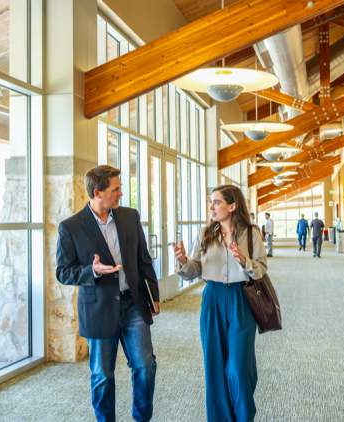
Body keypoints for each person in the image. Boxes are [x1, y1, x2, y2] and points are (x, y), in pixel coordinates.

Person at [56, 165, 160, 422]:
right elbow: (63, 272)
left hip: (133, 304)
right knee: (102, 375)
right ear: (97, 192)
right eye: (115, 189)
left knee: (145, 367)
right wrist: (91, 271)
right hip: (98, 309)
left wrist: (153, 295)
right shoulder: (70, 227)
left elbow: (143, 259)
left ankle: (141, 418)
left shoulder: (129, 216)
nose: (121, 194)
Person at [174, 185, 267, 422]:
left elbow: (261, 270)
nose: (211, 207)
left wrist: (243, 260)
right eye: (211, 202)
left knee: (238, 367)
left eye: (216, 202)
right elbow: (194, 269)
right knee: (214, 364)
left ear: (233, 205)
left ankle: (244, 416)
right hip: (212, 300)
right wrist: (184, 261)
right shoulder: (205, 234)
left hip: (241, 300)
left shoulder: (252, 233)